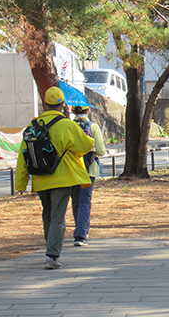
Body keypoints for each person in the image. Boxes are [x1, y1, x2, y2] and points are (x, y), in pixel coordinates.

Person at [15, 87, 95, 269]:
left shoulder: (33, 126)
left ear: (45, 104)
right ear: (62, 105)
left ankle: (50, 247)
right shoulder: (67, 125)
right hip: (62, 178)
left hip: (41, 178)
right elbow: (85, 145)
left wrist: (20, 183)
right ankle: (52, 255)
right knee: (58, 217)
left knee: (47, 214)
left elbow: (23, 156)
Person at [70, 106, 106, 247]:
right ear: (87, 111)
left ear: (73, 111)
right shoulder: (93, 127)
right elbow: (101, 150)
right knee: (85, 201)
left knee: (75, 201)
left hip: (72, 169)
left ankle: (78, 227)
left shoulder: (69, 126)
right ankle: (81, 234)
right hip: (89, 169)